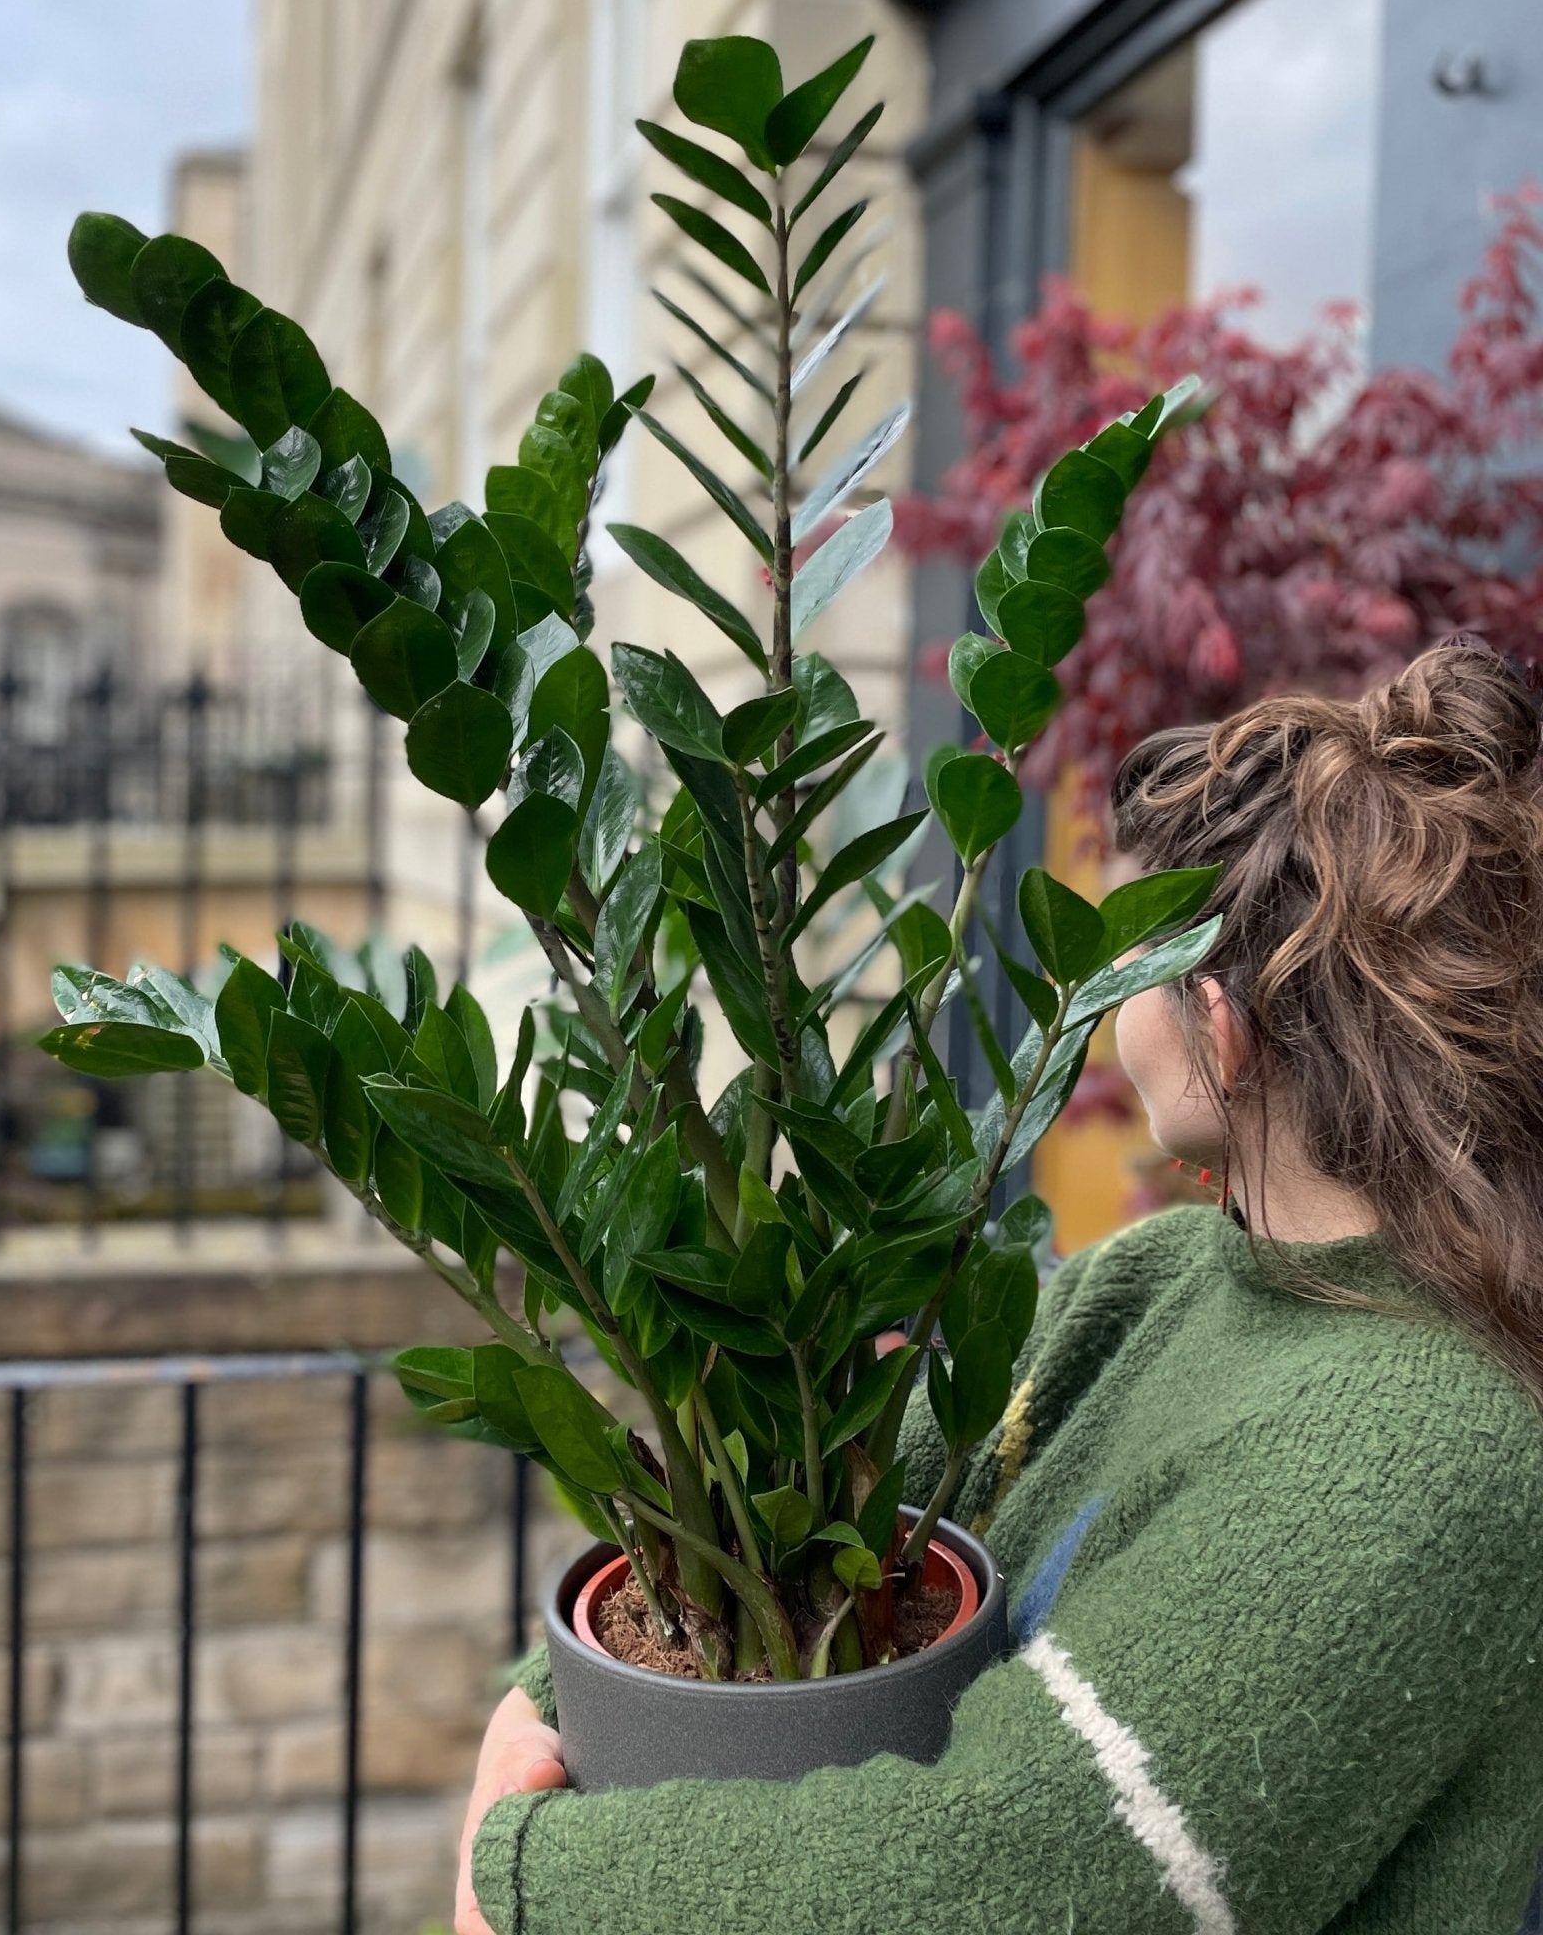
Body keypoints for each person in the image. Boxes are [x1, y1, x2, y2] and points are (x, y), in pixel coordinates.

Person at [453, 642, 1543, 1935]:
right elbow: (816, 1512)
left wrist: (535, 1878)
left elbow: (1025, 1872)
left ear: (1213, 1018)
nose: (1086, 1004)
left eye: (1111, 957)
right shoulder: (1166, 1278)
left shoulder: (1420, 1446)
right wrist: (556, 1697)